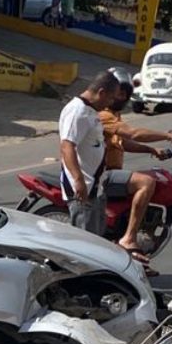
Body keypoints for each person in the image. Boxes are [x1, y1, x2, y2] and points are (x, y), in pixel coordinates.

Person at [95, 71, 172, 262]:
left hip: (112, 173)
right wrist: (167, 136)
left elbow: (124, 142)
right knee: (146, 182)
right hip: (104, 175)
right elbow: (133, 133)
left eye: (120, 93)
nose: (119, 97)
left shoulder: (114, 116)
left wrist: (150, 150)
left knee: (155, 178)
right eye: (117, 93)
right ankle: (129, 238)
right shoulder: (104, 116)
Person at [57, 72, 128, 236]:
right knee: (84, 245)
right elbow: (67, 146)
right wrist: (78, 180)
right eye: (110, 98)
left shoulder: (91, 111)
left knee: (97, 241)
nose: (110, 104)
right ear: (101, 92)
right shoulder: (77, 112)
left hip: (95, 189)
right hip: (83, 192)